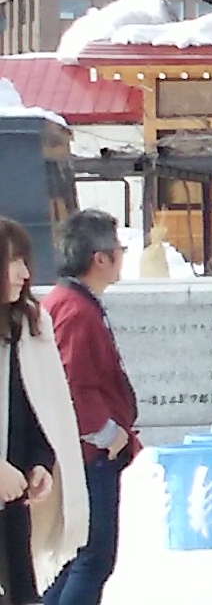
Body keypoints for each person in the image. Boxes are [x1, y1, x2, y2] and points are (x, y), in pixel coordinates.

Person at [40, 210, 140, 605]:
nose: (122, 256)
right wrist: (109, 434)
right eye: (119, 249)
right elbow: (74, 385)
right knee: (91, 556)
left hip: (86, 451)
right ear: (100, 258)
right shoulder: (76, 311)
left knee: (80, 557)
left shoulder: (70, 303)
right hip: (89, 454)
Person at [0, 217, 87, 603]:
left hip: (12, 503)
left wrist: (38, 461)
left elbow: (36, 406)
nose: (24, 273)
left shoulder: (26, 325)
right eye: (12, 260)